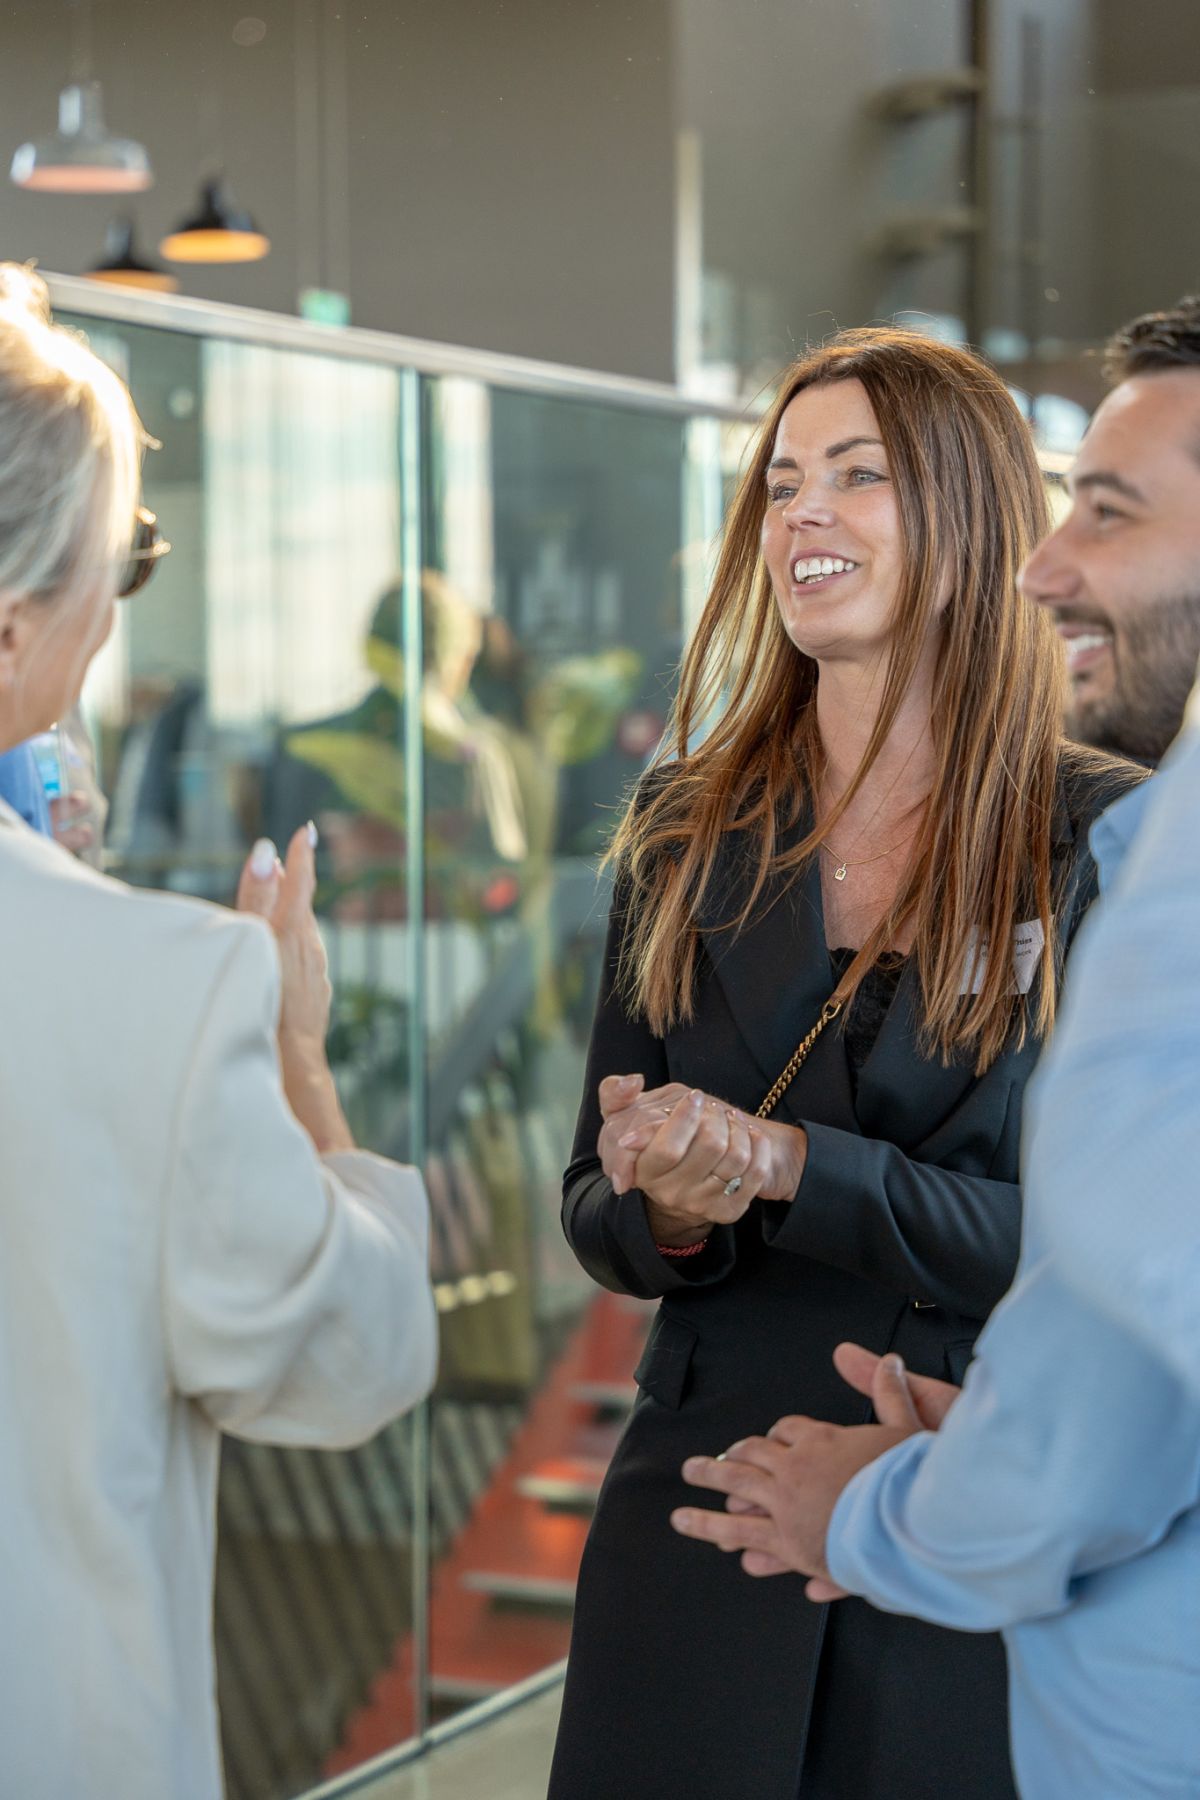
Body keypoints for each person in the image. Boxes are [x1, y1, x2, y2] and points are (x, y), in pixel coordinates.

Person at [547, 324, 1141, 1800]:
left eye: (859, 476)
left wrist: (790, 1166)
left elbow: (1115, 1251)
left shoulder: (1107, 839)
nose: (803, 513)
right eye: (783, 484)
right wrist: (669, 1203)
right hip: (698, 1525)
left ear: (972, 510)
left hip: (963, 1518)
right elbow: (596, 1212)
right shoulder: (686, 825)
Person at [0, 266, 438, 1800]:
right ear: (8, 631)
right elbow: (340, 1354)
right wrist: (298, 1065)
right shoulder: (159, 985)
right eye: (107, 579)